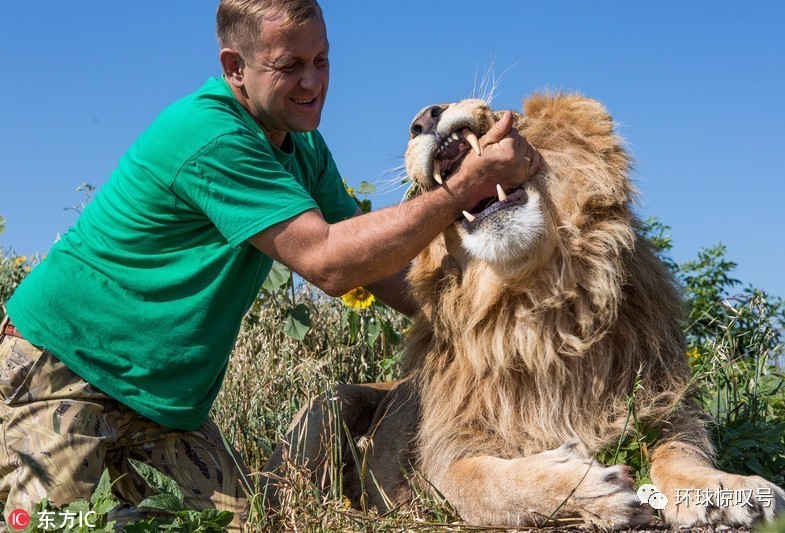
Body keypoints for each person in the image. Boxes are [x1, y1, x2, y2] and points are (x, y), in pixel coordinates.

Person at [0, 0, 539, 529]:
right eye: (290, 66)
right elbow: (330, 263)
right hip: (61, 369)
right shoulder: (211, 134)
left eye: (321, 60)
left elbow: (378, 269)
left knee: (253, 523)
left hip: (161, 404)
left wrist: (494, 319)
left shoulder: (303, 146)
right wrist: (463, 187)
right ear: (234, 68)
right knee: (55, 526)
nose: (312, 83)